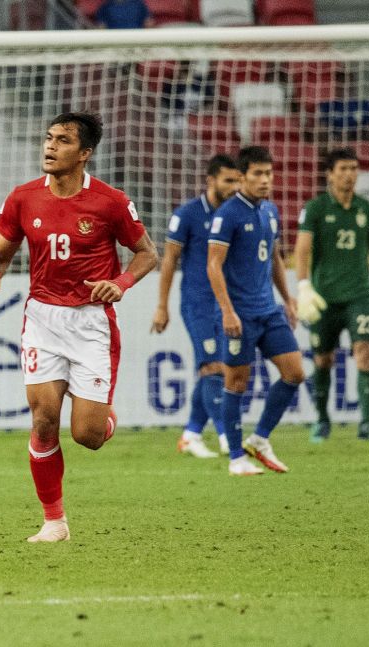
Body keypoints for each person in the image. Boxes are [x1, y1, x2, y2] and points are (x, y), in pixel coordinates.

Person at [0, 112, 158, 542]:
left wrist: (120, 282)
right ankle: (54, 522)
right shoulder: (22, 198)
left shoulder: (111, 202)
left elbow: (148, 253)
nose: (50, 147)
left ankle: (104, 416)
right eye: (48, 138)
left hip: (91, 321)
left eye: (63, 141)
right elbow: (0, 255)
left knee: (88, 437)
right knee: (43, 420)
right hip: (41, 317)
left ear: (85, 154)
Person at [206, 146, 305, 476]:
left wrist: (288, 298)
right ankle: (236, 457)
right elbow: (213, 265)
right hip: (241, 314)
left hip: (269, 310)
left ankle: (260, 438)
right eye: (258, 174)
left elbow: (274, 257)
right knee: (236, 382)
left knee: (295, 372)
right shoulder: (228, 214)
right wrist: (227, 311)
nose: (265, 180)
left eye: (269, 173)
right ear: (242, 176)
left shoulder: (270, 211)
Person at [294, 147, 369, 442]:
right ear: (330, 174)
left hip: (359, 296)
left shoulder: (367, 209)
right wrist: (303, 286)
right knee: (323, 360)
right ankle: (322, 420)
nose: (349, 175)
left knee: (364, 353)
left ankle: (366, 422)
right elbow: (302, 249)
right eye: (343, 169)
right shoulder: (315, 209)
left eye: (353, 168)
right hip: (324, 298)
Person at [152, 154, 241, 458]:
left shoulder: (236, 214)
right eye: (228, 180)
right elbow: (169, 261)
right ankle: (227, 435)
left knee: (219, 370)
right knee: (213, 367)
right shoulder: (187, 214)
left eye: (237, 181)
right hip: (197, 303)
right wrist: (162, 306)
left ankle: (191, 433)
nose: (234, 187)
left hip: (228, 304)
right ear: (211, 180)